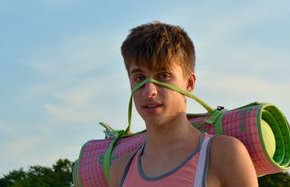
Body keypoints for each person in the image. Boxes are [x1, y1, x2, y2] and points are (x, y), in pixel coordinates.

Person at [109, 21, 258, 187]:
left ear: (189, 83)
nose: (149, 91)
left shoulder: (224, 154)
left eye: (163, 75)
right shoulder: (120, 170)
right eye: (139, 78)